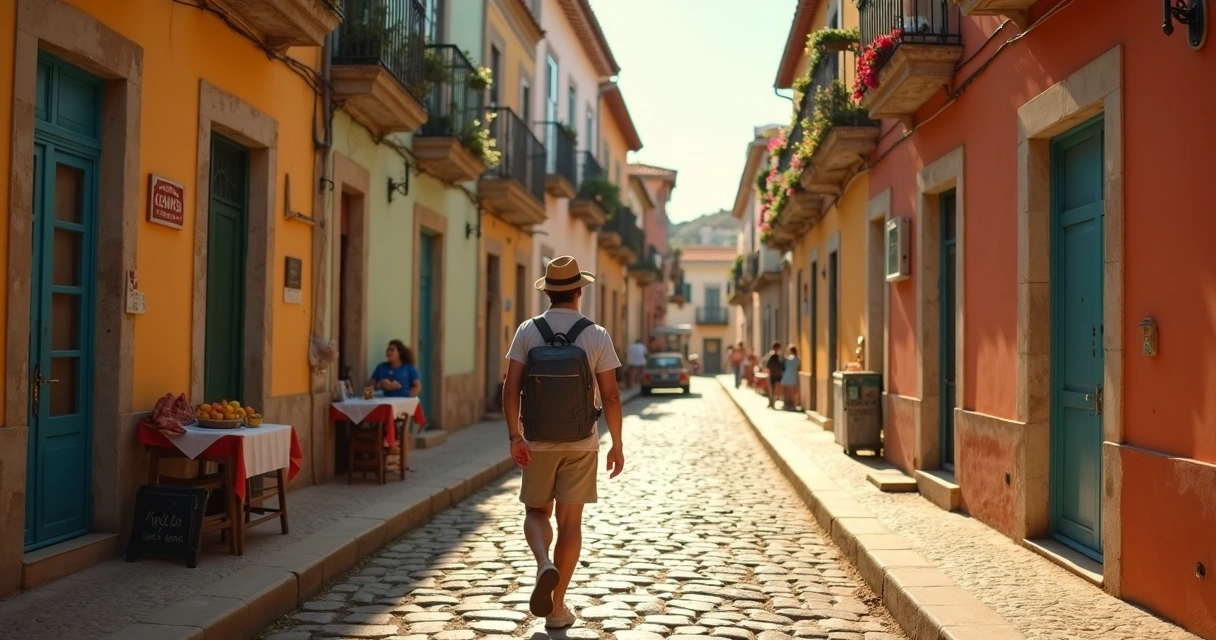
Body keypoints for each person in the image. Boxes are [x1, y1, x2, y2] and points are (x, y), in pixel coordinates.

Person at [502, 255, 626, 630]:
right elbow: (613, 396)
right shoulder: (596, 334)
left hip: (536, 442)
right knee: (570, 522)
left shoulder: (527, 330)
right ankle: (556, 610)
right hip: (581, 442)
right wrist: (617, 444)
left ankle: (544, 564)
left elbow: (510, 388)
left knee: (536, 512)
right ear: (578, 291)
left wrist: (515, 437)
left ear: (548, 293)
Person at [765, 342, 784, 409]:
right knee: (772, 390)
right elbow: (768, 366)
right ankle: (771, 403)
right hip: (773, 375)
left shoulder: (779, 357)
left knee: (774, 390)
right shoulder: (772, 356)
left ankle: (772, 403)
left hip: (777, 375)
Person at [782, 346, 801, 411]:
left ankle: (787, 404)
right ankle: (792, 405)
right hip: (793, 376)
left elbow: (784, 363)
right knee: (793, 392)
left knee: (787, 392)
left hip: (787, 376)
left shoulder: (788, 359)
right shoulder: (797, 359)